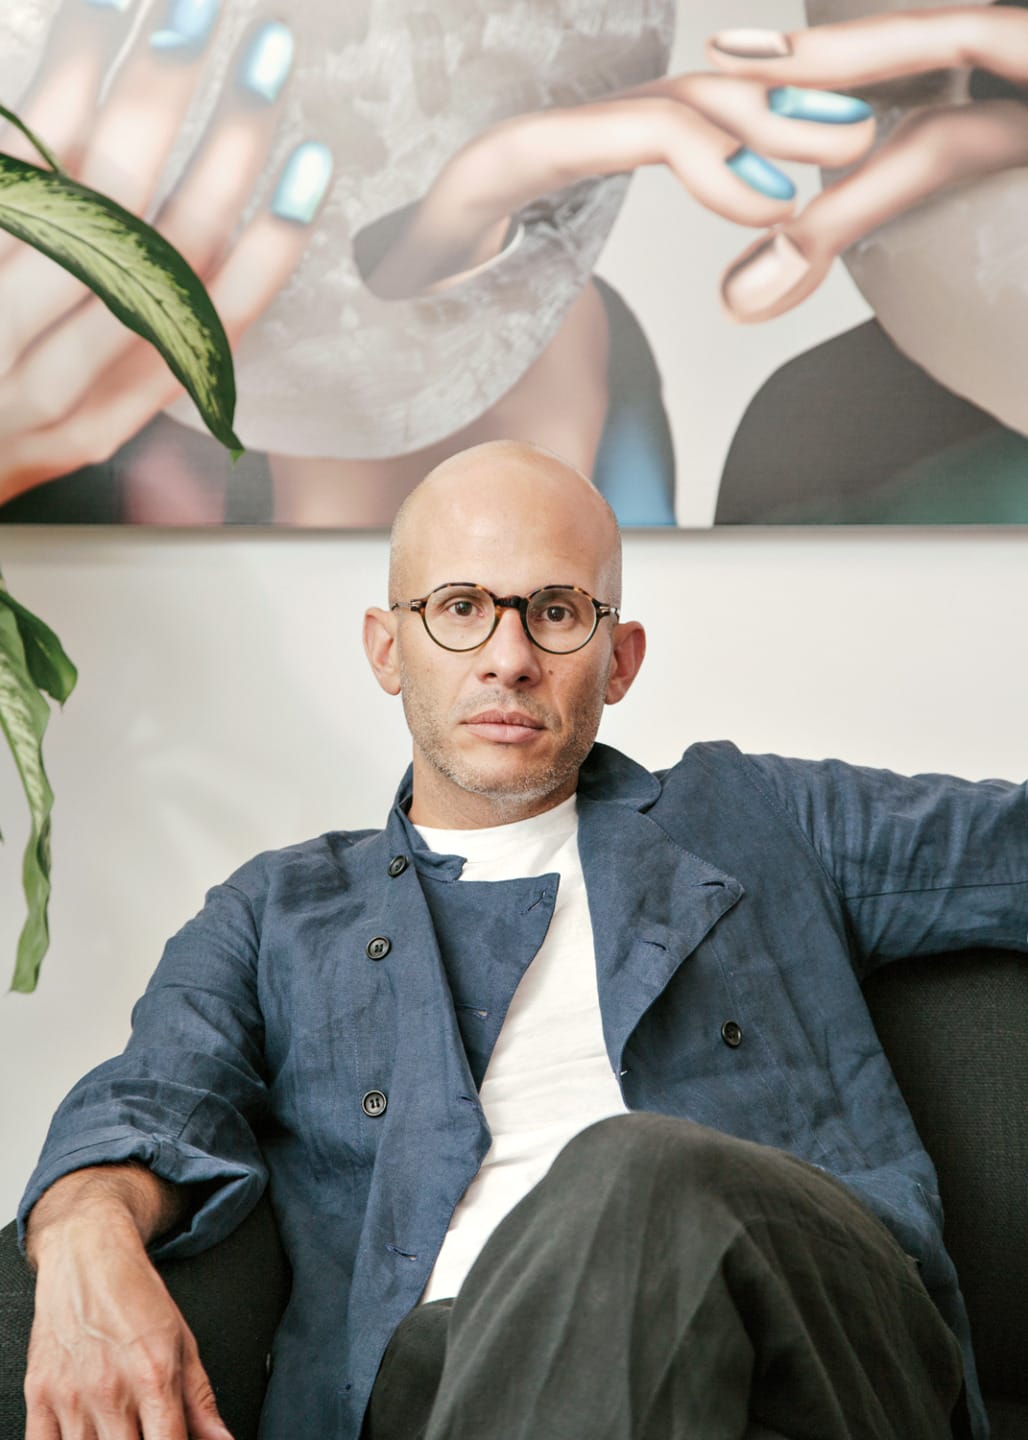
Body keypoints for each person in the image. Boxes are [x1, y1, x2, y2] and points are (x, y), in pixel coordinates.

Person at [16, 439, 1027, 1440]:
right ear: (386, 647)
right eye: (460, 608)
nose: (508, 657)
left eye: (553, 612)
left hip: (814, 1354)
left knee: (636, 1175)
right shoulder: (279, 911)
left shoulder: (757, 819)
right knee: (432, 1347)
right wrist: (83, 1235)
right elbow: (149, 1095)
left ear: (616, 658)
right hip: (443, 1387)